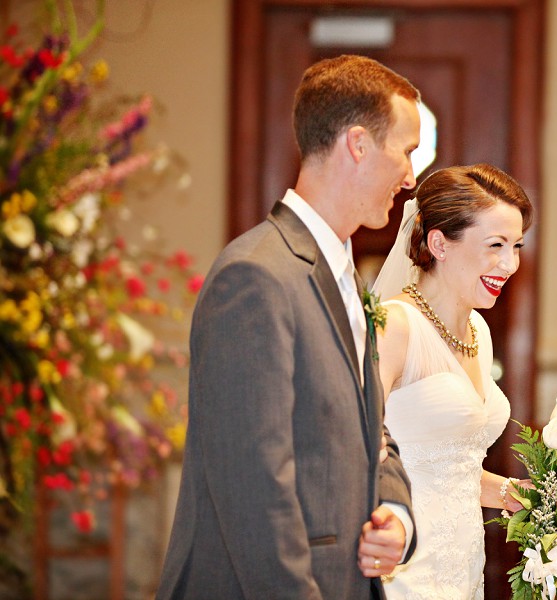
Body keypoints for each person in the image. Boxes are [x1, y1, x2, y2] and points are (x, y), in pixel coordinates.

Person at [156, 55, 421, 599]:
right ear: (358, 144)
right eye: (407, 151)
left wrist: (395, 512)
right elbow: (254, 486)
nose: (412, 178)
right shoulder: (255, 277)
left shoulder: (346, 276)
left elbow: (367, 425)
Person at [370, 163, 534, 598]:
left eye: (516, 246)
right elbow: (354, 451)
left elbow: (446, 465)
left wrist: (511, 493)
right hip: (402, 566)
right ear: (439, 243)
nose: (510, 263)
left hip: (462, 565)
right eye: (495, 245)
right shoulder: (395, 328)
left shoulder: (479, 331)